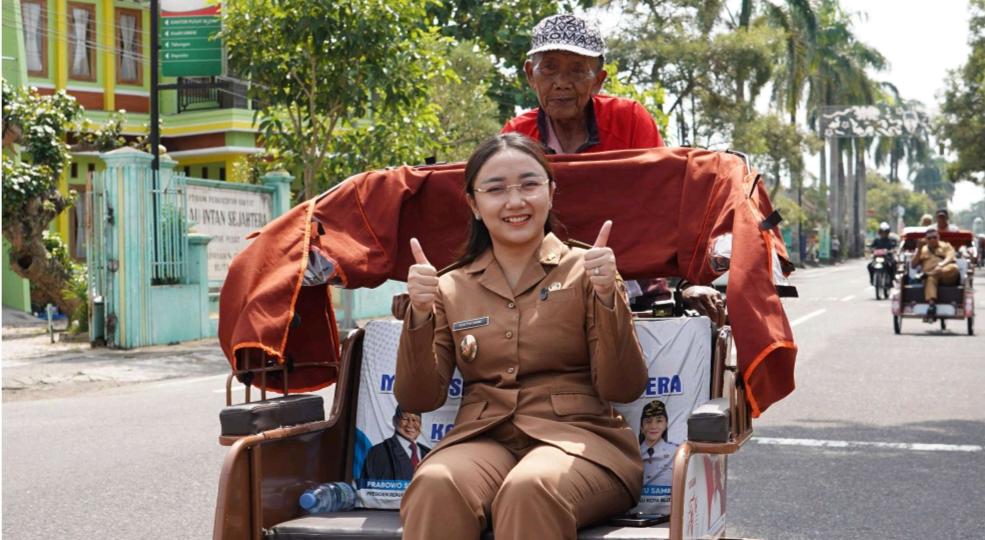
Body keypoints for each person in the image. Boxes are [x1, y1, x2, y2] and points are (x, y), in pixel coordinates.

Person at [395, 133, 649, 539]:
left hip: (580, 441)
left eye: (529, 185)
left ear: (550, 193)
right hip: (484, 438)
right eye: (495, 190)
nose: (515, 202)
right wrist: (420, 315)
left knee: (530, 488)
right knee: (435, 483)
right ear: (475, 205)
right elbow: (419, 398)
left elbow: (624, 386)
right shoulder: (450, 286)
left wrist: (607, 298)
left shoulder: (588, 268)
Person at [501, 13, 725, 325]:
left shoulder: (630, 119)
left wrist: (691, 281)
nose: (562, 82)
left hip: (637, 281)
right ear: (530, 74)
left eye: (577, 70)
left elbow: (668, 206)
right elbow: (496, 217)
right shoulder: (516, 135)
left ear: (598, 80)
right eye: (549, 67)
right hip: (542, 287)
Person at [360, 408, 431, 481]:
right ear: (394, 421)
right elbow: (368, 488)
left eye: (415, 420)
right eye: (405, 419)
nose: (410, 425)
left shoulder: (428, 454)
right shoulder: (378, 452)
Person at [910, 227, 959, 322]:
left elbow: (950, 257)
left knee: (954, 268)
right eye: (929, 238)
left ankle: (930, 273)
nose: (932, 240)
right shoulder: (922, 249)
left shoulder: (946, 245)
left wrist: (941, 265)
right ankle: (931, 305)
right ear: (925, 240)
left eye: (934, 237)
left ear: (938, 237)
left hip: (947, 274)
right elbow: (913, 265)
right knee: (930, 278)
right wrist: (919, 249)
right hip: (932, 277)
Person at [638, 400, 678, 488]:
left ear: (666, 424)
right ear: (641, 426)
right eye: (648, 421)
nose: (653, 426)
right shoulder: (632, 454)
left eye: (659, 421)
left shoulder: (677, 452)